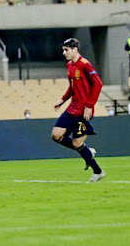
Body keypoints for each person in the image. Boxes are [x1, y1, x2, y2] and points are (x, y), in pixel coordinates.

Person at [52, 38, 105, 182]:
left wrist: (89, 105)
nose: (64, 53)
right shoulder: (70, 65)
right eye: (63, 50)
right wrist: (62, 100)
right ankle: (87, 151)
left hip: (83, 111)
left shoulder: (85, 64)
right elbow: (72, 87)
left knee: (76, 143)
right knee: (56, 135)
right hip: (71, 108)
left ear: (75, 50)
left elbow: (98, 84)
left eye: (66, 50)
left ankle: (98, 171)